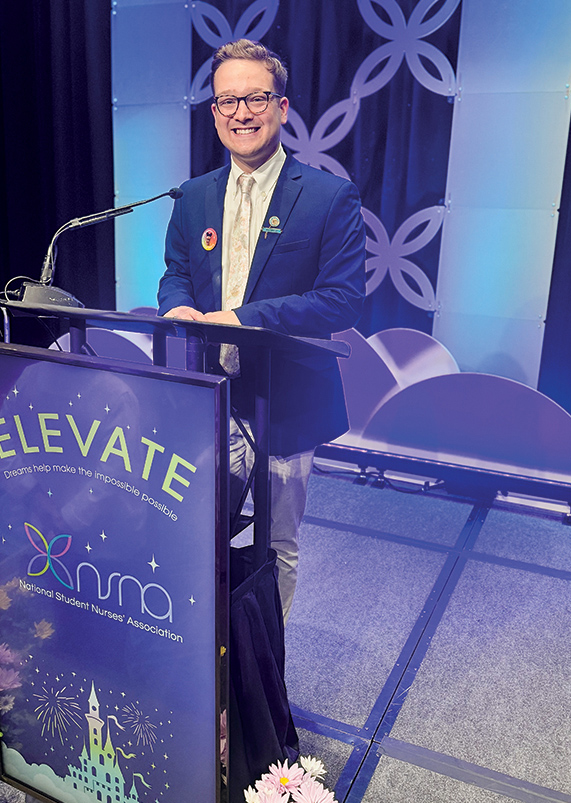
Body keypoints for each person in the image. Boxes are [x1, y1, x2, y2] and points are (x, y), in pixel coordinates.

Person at [158, 39, 366, 622]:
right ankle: (198, 664)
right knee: (193, 536)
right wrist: (177, 309)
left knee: (275, 545)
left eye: (255, 98)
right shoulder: (192, 195)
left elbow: (342, 301)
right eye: (228, 101)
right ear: (214, 112)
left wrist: (242, 320)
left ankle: (263, 675)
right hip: (207, 397)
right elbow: (176, 275)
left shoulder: (328, 196)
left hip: (286, 401)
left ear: (282, 105)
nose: (241, 112)